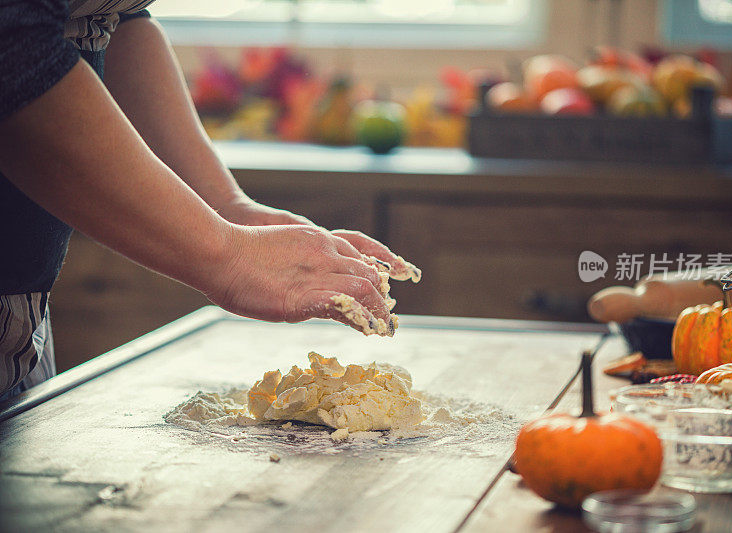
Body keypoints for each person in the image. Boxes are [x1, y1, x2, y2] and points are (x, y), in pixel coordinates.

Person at [0, 1, 419, 401]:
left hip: (23, 311)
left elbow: (112, 22)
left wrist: (229, 208)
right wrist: (230, 256)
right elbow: (14, 50)